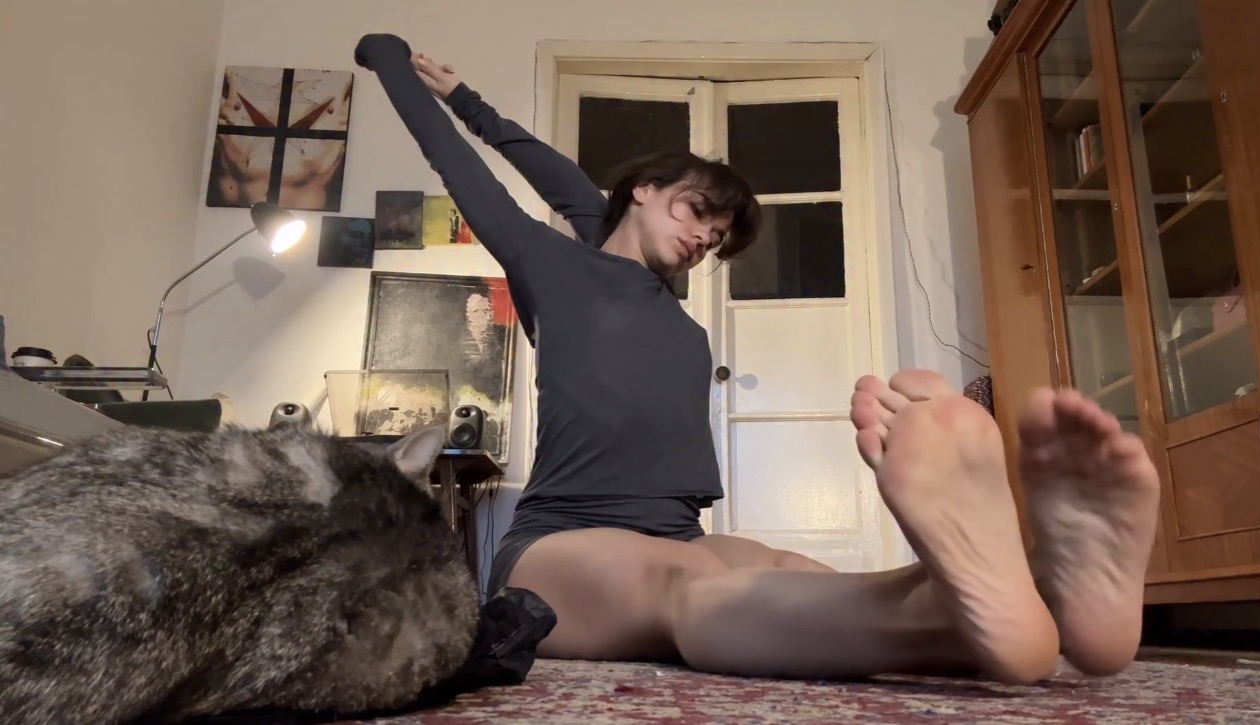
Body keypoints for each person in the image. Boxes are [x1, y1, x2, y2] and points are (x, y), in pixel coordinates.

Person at [408, 52, 1161, 685]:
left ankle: (1037, 601)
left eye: (717, 235)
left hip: (679, 530)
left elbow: (585, 195)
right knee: (694, 586)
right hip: (557, 547)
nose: (704, 238)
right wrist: (413, 73)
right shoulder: (556, 271)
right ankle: (973, 615)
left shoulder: (659, 299)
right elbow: (489, 173)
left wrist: (470, 97)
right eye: (696, 211)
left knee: (789, 567)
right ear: (640, 190)